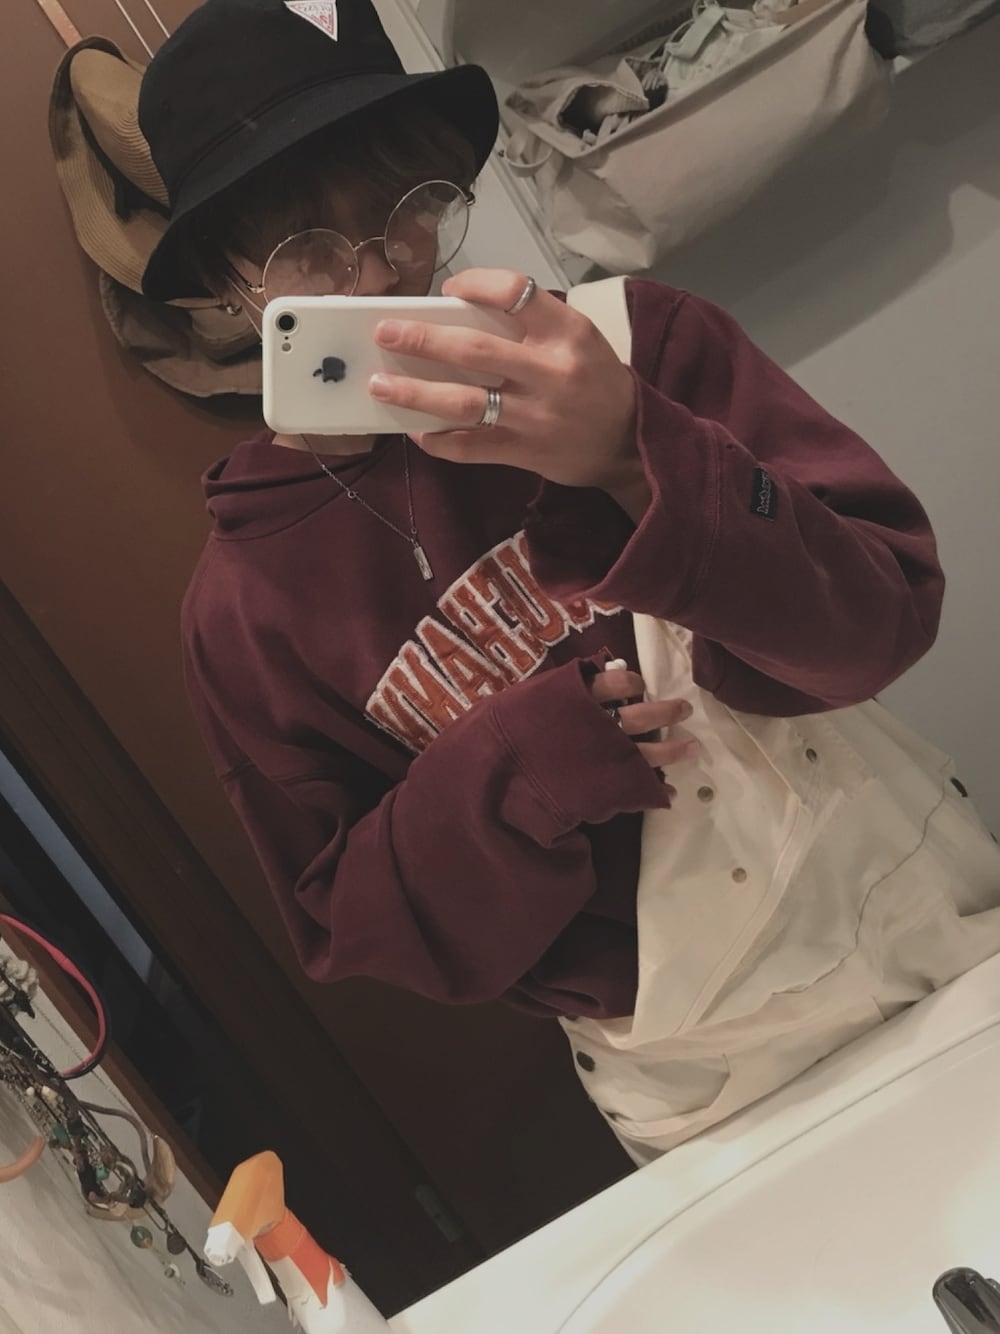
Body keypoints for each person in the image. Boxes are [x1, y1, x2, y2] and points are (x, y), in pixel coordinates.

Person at [139, 0, 1000, 1165]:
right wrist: (515, 765)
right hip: (695, 1069)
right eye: (307, 248)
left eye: (408, 208)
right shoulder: (242, 610)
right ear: (230, 286)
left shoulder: (633, 343)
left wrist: (632, 454)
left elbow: (880, 624)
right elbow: (355, 923)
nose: (382, 269)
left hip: (911, 899)